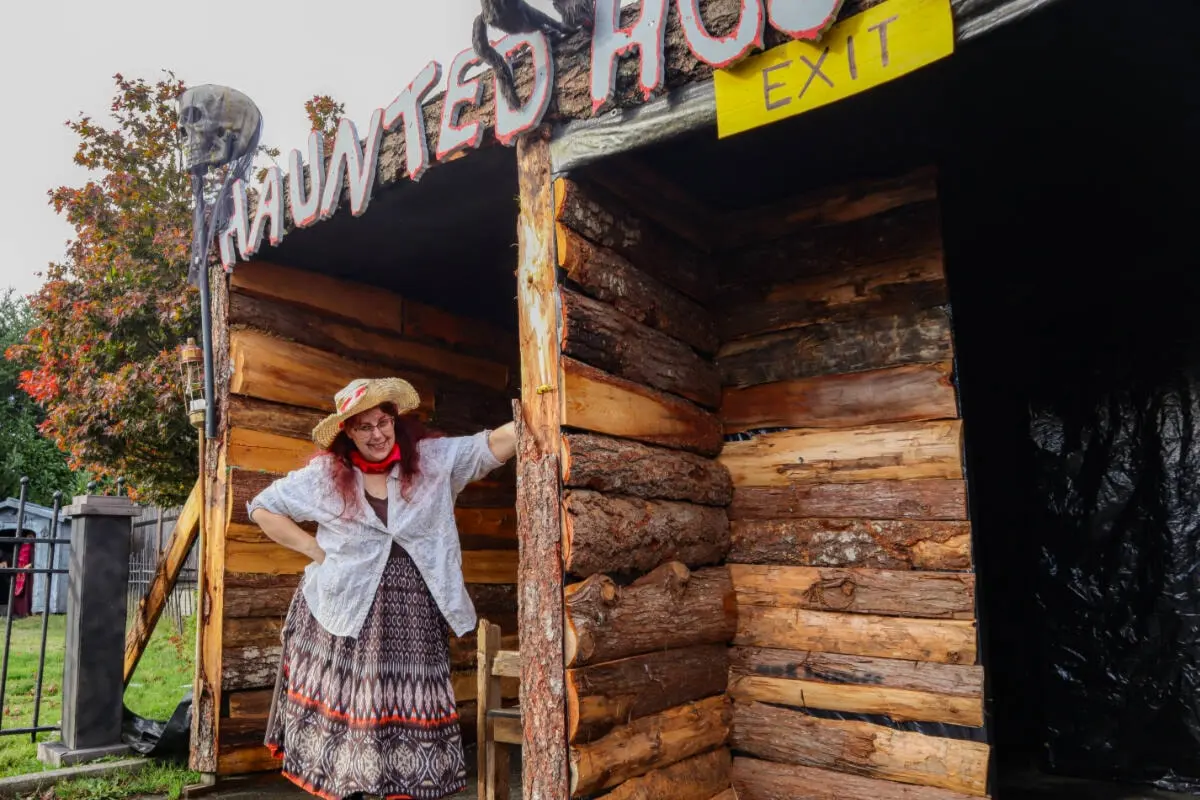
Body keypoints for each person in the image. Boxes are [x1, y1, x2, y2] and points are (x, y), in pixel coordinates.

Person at [249, 377, 515, 800]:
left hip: (413, 610)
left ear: (395, 420)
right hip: (346, 608)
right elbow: (262, 507)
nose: (377, 434)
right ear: (347, 434)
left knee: (410, 699)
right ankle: (352, 783)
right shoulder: (326, 476)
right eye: (364, 427)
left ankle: (407, 786)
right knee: (355, 702)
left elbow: (487, 446)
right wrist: (316, 552)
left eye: (383, 421)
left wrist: (531, 420)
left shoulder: (431, 461)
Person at [11, 531, 33, 619]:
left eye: (31, 537)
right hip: (19, 570)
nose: (28, 539)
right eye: (27, 537)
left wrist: (30, 564)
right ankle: (17, 611)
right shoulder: (21, 547)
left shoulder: (32, 548)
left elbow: (35, 558)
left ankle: (26, 611)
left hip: (27, 572)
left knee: (26, 591)